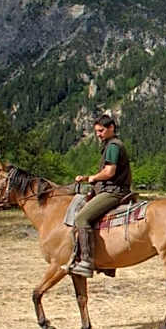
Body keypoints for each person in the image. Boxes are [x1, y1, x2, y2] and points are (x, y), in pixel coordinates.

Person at [67, 115, 133, 277]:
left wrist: (93, 177)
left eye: (101, 131)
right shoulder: (111, 145)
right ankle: (106, 262)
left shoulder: (113, 146)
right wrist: (87, 178)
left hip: (114, 191)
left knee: (81, 218)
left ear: (111, 128)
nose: (98, 134)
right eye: (96, 131)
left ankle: (86, 261)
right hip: (112, 189)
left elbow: (109, 172)